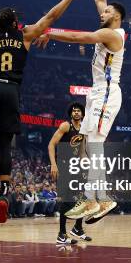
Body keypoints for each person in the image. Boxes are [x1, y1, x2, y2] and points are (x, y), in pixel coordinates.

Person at [0, 0, 91, 223]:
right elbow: (52, 15)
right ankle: (3, 196)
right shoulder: (25, 35)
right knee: (5, 145)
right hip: (12, 91)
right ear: (14, 23)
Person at [35, 0, 123, 223]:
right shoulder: (108, 21)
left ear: (116, 18)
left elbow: (79, 37)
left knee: (94, 145)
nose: (102, 12)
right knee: (87, 146)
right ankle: (100, 198)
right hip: (96, 92)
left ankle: (94, 199)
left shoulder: (112, 34)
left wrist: (50, 33)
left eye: (107, 12)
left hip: (106, 93)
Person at [48, 102, 92, 245]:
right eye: (74, 111)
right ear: (71, 113)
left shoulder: (84, 130)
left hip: (76, 167)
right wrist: (54, 164)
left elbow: (82, 152)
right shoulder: (66, 126)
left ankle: (78, 228)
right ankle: (61, 234)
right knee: (67, 200)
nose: (76, 113)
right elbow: (51, 144)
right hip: (64, 165)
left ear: (83, 113)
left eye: (79, 111)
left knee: (83, 198)